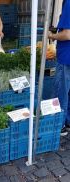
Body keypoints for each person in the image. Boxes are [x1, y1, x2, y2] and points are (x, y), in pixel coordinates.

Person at [48, 0, 70, 136]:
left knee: (61, 90)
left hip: (66, 55)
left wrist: (52, 36)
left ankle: (59, 125)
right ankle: (67, 121)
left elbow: (67, 34)